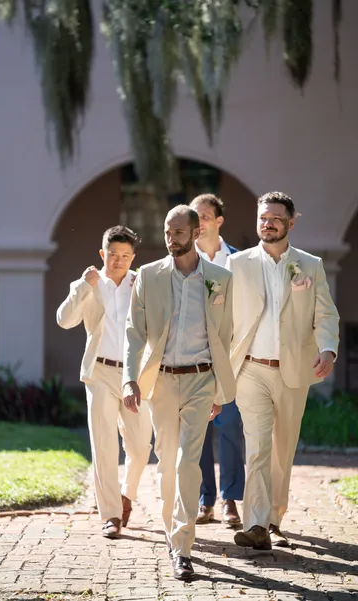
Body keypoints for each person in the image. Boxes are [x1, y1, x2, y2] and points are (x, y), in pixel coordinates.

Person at [122, 205, 236, 581]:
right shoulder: (150, 276)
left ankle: (182, 546)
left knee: (190, 461)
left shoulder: (218, 278)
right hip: (163, 382)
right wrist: (130, 378)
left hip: (202, 380)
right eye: (168, 233)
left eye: (178, 232)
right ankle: (174, 531)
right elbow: (134, 332)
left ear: (196, 232)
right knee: (167, 461)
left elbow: (225, 336)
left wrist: (220, 387)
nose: (171, 238)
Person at [226, 191, 339, 550]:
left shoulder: (310, 266)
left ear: (290, 223)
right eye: (262, 217)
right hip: (251, 370)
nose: (267, 223)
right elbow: (222, 317)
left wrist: (327, 348)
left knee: (282, 449)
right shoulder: (237, 264)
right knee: (257, 447)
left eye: (275, 218)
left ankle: (274, 518)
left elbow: (325, 315)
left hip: (293, 371)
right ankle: (256, 524)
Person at [56, 225, 152, 539]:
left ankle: (127, 493)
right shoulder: (88, 284)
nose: (118, 261)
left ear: (133, 256)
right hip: (99, 373)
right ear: (102, 254)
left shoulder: (142, 284)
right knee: (104, 445)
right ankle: (110, 514)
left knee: (139, 446)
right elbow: (64, 320)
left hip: (135, 375)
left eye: (125, 256)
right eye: (113, 255)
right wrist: (83, 287)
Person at [190, 193, 245, 528]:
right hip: (193, 357)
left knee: (228, 429)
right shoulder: (183, 260)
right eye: (196, 217)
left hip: (230, 358)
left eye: (206, 216)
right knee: (197, 432)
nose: (200, 223)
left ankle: (229, 500)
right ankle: (204, 500)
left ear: (219, 220)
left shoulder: (239, 261)